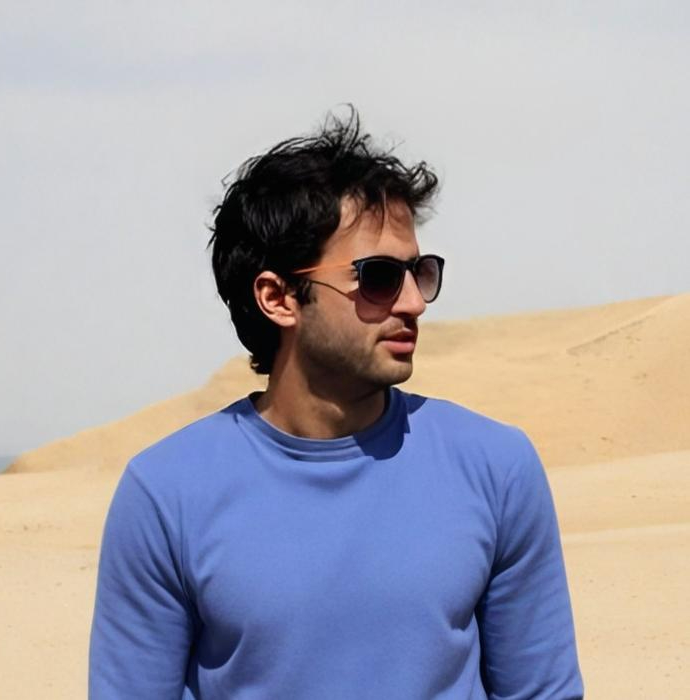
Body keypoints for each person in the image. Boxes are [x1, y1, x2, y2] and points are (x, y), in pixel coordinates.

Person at [89, 108, 584, 699]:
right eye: (378, 276)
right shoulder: (166, 493)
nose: (413, 303)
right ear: (278, 298)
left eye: (419, 272)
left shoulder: (496, 467)